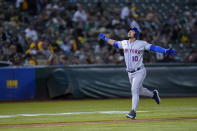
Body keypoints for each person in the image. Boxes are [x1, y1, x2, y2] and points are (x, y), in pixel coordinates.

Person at [99, 27, 176, 119]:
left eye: (131, 31)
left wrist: (165, 50)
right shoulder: (124, 43)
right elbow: (115, 43)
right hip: (130, 73)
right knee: (140, 90)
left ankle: (133, 112)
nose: (129, 32)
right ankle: (153, 94)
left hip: (139, 71)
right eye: (129, 31)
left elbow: (153, 47)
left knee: (134, 89)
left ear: (135, 34)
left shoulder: (141, 43)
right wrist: (105, 38)